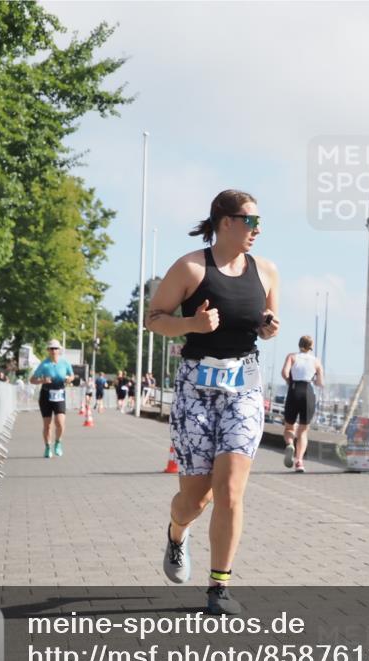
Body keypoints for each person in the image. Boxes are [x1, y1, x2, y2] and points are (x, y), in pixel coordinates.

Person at [145, 189, 279, 615]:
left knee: (230, 492)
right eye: (251, 221)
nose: (258, 230)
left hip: (244, 388)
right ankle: (176, 532)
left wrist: (270, 327)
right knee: (196, 499)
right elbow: (154, 319)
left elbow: (269, 325)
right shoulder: (190, 267)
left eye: (260, 222)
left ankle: (218, 588)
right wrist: (193, 324)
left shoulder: (267, 271)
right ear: (226, 222)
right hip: (196, 390)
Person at [281, 335, 324, 473]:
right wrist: (315, 379)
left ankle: (289, 444)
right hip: (308, 393)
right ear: (311, 346)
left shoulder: (292, 357)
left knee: (289, 428)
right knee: (303, 431)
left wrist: (289, 381)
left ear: (299, 344)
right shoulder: (316, 361)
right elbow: (320, 383)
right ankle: (299, 461)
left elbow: (284, 373)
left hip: (294, 391)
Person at [28, 339, 75, 458]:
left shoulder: (65, 363)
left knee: (60, 422)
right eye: (51, 348)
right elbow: (32, 380)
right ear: (48, 350)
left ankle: (58, 443)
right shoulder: (44, 364)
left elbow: (72, 375)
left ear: (59, 350)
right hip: (46, 396)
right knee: (47, 425)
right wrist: (42, 380)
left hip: (59, 395)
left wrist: (69, 379)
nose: (54, 351)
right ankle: (48, 447)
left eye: (56, 348)